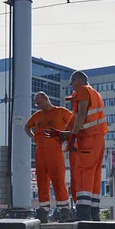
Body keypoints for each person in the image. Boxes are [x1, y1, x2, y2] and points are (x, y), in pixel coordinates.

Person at [55, 70, 109, 221]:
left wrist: (72, 135)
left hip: (88, 139)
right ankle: (94, 213)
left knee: (84, 174)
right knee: (94, 176)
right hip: (98, 139)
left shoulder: (84, 91)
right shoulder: (96, 94)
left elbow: (82, 115)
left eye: (72, 84)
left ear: (78, 80)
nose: (72, 88)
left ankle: (84, 213)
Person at [24, 91, 74, 222]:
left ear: (46, 98)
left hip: (55, 153)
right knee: (42, 182)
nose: (38, 105)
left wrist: (65, 135)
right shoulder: (37, 116)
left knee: (58, 180)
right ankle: (43, 211)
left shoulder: (61, 112)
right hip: (40, 154)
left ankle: (64, 209)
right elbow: (26, 127)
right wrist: (32, 136)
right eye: (36, 103)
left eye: (39, 102)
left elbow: (74, 124)